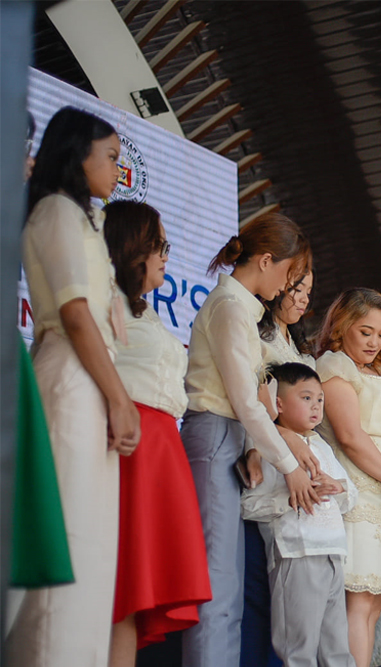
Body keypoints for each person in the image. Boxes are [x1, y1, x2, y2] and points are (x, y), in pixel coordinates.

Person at [9, 107, 142, 667]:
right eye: (111, 157)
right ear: (76, 153)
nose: (118, 169)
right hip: (70, 382)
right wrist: (119, 399)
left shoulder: (81, 217)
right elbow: (76, 314)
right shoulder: (56, 211)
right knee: (65, 548)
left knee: (91, 552)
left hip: (91, 385)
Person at [181, 213, 319, 667]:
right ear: (265, 261)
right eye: (288, 274)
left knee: (230, 590)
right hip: (216, 431)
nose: (286, 287)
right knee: (216, 589)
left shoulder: (242, 307)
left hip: (232, 439)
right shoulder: (230, 306)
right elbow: (245, 401)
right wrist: (290, 466)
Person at [103, 201, 212, 666]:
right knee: (115, 587)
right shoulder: (101, 298)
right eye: (159, 245)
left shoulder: (146, 313)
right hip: (127, 448)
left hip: (162, 447)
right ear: (133, 248)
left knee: (132, 595)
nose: (166, 255)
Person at [313, 287, 381, 667]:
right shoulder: (333, 366)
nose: (375, 341)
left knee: (373, 603)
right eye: (365, 331)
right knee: (356, 601)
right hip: (356, 491)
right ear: (343, 327)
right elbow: (350, 437)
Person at [241, 362, 358, 667]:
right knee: (298, 649)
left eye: (319, 399)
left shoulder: (321, 445)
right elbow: (248, 505)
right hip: (297, 553)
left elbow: (350, 496)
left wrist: (336, 487)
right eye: (306, 398)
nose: (316, 406)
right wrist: (292, 496)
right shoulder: (270, 448)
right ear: (278, 403)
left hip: (333, 552)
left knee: (337, 649)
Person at [242, 269, 316, 667]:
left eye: (308, 291)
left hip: (302, 465)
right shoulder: (256, 334)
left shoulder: (299, 346)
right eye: (296, 289)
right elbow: (254, 400)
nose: (303, 298)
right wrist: (282, 440)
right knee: (264, 579)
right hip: (269, 459)